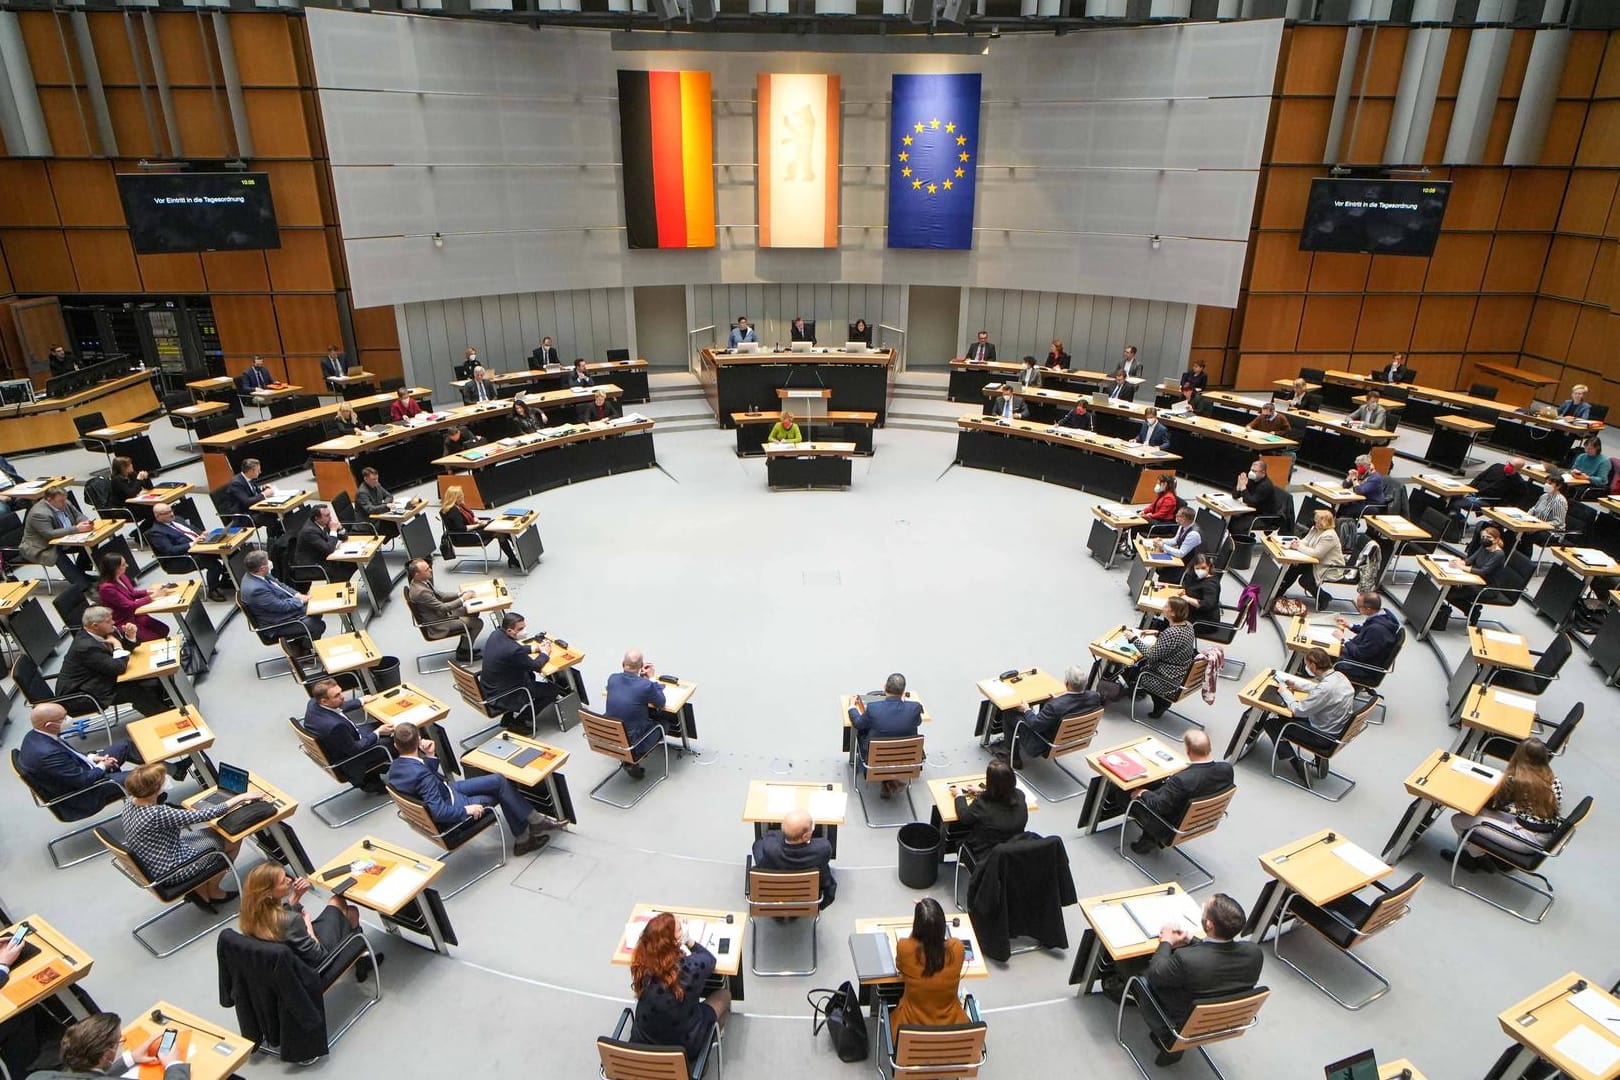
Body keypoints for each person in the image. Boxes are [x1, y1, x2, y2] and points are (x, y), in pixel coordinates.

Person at [386, 721, 549, 855]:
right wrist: (467, 810)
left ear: (395, 745)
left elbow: (421, 781)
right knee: (502, 791)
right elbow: (439, 811)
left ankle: (534, 821)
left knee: (499, 780)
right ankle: (524, 839)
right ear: (419, 740)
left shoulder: (395, 768)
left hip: (448, 791)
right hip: (455, 805)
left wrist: (430, 756)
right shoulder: (423, 776)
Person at [1138, 894, 1263, 1065]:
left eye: (1204, 908)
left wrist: (1166, 940)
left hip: (1182, 1022)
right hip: (1222, 1022)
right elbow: (1215, 956)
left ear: (1209, 925)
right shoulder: (1254, 953)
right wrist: (1191, 939)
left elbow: (1156, 973)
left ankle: (1167, 1038)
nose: (1202, 908)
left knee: (1141, 978)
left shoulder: (1188, 960)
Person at [121, 763, 250, 904]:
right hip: (173, 870)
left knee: (212, 831)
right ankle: (214, 891)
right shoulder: (157, 814)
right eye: (162, 779)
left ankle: (201, 888)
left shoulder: (130, 802)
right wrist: (241, 798)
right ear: (155, 788)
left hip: (153, 863)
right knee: (233, 840)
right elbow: (207, 814)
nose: (166, 780)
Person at [1445, 738, 1563, 871]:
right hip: (1541, 834)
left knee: (1458, 820)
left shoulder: (1520, 781)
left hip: (1525, 839)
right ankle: (1478, 855)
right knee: (1474, 814)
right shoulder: (1554, 779)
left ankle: (1475, 857)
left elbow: (1494, 803)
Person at [630, 912, 730, 1063]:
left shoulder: (641, 966)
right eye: (680, 929)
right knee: (724, 995)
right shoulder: (690, 968)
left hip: (643, 1044)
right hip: (684, 1048)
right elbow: (710, 959)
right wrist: (690, 941)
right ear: (674, 942)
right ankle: (712, 1038)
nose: (682, 928)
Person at [238, 862, 369, 974]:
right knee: (343, 905)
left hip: (292, 960)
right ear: (268, 893)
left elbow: (279, 918)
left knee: (349, 911)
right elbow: (319, 956)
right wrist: (307, 924)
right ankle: (360, 954)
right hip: (316, 966)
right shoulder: (291, 920)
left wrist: (296, 896)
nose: (290, 880)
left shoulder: (252, 916)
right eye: (283, 881)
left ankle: (361, 960)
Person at [1247, 648, 1355, 782]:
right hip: (1335, 732)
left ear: (1314, 666)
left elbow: (1298, 710)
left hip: (1321, 736)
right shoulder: (1339, 677)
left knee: (1271, 724)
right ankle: (1318, 759)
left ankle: (1298, 766)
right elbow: (1319, 689)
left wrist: (1285, 692)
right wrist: (1296, 685)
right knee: (1283, 716)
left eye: (1307, 665)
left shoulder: (1326, 688)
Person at [18, 703, 142, 818]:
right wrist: (103, 766)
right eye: (64, 718)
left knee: (125, 745)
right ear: (49, 725)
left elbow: (69, 754)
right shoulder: (47, 753)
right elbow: (83, 780)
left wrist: (93, 757)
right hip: (86, 793)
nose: (69, 718)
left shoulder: (36, 735)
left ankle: (157, 764)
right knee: (145, 777)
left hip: (82, 770)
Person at [1127, 731, 1233, 854]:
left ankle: (1151, 837)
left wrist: (1143, 792)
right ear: (1209, 748)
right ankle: (1148, 838)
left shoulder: (1182, 780)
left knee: (1123, 792)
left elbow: (1158, 806)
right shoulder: (1226, 769)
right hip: (1197, 821)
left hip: (1171, 826)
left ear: (1188, 751)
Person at [58, 606, 169, 718]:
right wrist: (117, 645)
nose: (113, 622)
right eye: (108, 621)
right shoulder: (86, 647)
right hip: (83, 695)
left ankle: (170, 705)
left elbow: (119, 654)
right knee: (135, 689)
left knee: (153, 675)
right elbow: (118, 667)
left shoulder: (101, 632)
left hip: (99, 679)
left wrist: (130, 637)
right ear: (94, 625)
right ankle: (165, 718)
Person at [29, 1012, 190, 1080]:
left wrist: (130, 1057)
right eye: (119, 1040)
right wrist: (173, 1064)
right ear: (107, 1053)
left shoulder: (38, 1077)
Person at [301, 678, 395, 793]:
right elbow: (355, 749)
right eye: (337, 695)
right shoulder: (334, 726)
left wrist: (361, 700)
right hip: (351, 759)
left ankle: (372, 779)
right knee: (398, 740)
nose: (343, 697)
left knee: (383, 724)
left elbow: (339, 706)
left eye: (341, 692)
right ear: (324, 701)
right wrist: (378, 733)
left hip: (343, 743)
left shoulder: (314, 703)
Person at [891, 898, 969, 1033]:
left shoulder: (905, 948)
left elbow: (900, 965)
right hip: (952, 1030)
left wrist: (917, 929)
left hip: (911, 1029)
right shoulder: (957, 949)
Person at [481, 612, 562, 733]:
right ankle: (519, 722)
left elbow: (515, 649)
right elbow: (536, 666)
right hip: (505, 694)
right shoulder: (513, 651)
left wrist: (534, 648)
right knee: (553, 690)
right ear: (509, 630)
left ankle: (508, 717)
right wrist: (545, 652)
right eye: (520, 629)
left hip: (489, 687)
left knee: (529, 674)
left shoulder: (496, 635)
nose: (524, 631)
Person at [1119, 598, 1198, 718]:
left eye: (1166, 606)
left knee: (1129, 668)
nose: (1163, 607)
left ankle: (1157, 698)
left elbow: (1151, 656)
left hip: (1165, 679)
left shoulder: (1171, 633)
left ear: (1172, 613)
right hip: (1179, 675)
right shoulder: (1188, 625)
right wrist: (1157, 633)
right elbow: (1176, 641)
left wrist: (1133, 638)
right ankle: (1152, 697)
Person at [1010, 665, 1102, 768]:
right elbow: (1077, 706)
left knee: (1011, 713)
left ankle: (1012, 757)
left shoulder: (1055, 706)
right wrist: (1060, 700)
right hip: (1074, 741)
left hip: (1044, 745)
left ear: (1067, 683)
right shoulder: (1094, 697)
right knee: (1046, 706)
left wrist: (1026, 709)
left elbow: (1034, 725)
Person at [847, 673, 924, 796]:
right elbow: (918, 721)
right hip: (907, 760)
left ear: (884, 687)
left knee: (863, 732)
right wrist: (907, 703)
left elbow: (858, 723)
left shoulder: (873, 709)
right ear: (903, 691)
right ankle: (890, 781)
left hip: (875, 762)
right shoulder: (914, 709)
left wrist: (851, 706)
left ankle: (886, 780)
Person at [751, 809, 836, 907]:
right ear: (805, 836)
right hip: (807, 899)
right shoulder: (823, 849)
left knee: (757, 845)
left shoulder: (770, 847)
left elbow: (766, 839)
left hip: (772, 896)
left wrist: (787, 831)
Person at [240, 549, 326, 645]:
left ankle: (300, 641)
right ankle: (304, 649)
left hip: (282, 611)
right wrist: (301, 601)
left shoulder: (256, 574)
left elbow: (280, 585)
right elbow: (280, 606)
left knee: (317, 608)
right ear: (262, 568)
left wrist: (298, 595)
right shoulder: (255, 590)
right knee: (318, 625)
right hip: (277, 623)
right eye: (268, 561)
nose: (270, 563)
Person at [605, 648, 667, 780]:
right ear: (640, 666)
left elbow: (626, 690)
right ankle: (631, 760)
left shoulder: (612, 679)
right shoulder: (645, 686)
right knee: (664, 724)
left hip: (608, 737)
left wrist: (641, 680)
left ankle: (628, 759)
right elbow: (660, 702)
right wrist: (651, 678)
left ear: (623, 664)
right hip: (632, 743)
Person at [951, 757, 1028, 863]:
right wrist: (983, 790)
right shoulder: (1020, 795)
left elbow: (964, 817)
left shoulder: (982, 804)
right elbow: (1003, 794)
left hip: (985, 858)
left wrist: (959, 795)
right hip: (1013, 854)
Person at [148, 502, 230, 601]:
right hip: (181, 559)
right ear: (157, 516)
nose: (171, 514)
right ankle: (213, 590)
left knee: (228, 550)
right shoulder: (156, 532)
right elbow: (170, 550)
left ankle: (226, 580)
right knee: (213, 564)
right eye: (167, 513)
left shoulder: (177, 519)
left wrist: (202, 534)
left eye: (171, 510)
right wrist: (192, 544)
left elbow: (193, 529)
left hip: (199, 548)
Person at [405, 557, 483, 662]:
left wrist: (461, 594)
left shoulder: (421, 582)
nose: (431, 570)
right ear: (417, 574)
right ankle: (464, 653)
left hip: (439, 614)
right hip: (439, 623)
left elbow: (441, 596)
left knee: (472, 610)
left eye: (429, 568)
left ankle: (464, 646)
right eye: (427, 570)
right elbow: (443, 608)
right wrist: (463, 598)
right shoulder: (420, 592)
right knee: (478, 623)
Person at [20, 488, 94, 587]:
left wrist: (84, 522)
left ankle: (81, 573)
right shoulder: (38, 513)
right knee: (57, 555)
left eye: (64, 500)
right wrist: (77, 529)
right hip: (41, 546)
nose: (64, 503)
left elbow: (78, 515)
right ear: (49, 500)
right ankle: (83, 586)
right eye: (61, 501)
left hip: (63, 538)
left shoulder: (65, 501)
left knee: (92, 542)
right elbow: (49, 534)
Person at [96, 552, 172, 642]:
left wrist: (150, 592)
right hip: (124, 621)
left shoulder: (122, 576)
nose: (127, 566)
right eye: (123, 564)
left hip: (135, 614)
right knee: (154, 638)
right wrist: (152, 597)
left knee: (163, 629)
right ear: (115, 568)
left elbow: (132, 593)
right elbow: (129, 605)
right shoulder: (106, 588)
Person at [1276, 509, 1344, 608]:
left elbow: (1316, 554)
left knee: (1304, 580)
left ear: (1323, 523)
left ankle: (1324, 597)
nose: (1314, 522)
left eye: (1317, 521)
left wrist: (1298, 547)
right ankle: (1278, 593)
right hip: (1315, 562)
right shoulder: (1315, 528)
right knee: (1294, 567)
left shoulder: (1329, 536)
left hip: (1328, 566)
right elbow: (1306, 541)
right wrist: (1296, 543)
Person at [441, 485, 519, 569]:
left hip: (473, 531)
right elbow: (462, 528)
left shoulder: (460, 506)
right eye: (461, 495)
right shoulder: (452, 511)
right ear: (455, 497)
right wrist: (479, 525)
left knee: (501, 529)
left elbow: (471, 516)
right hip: (466, 536)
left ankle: (514, 557)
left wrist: (477, 520)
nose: (463, 496)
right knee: (499, 531)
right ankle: (515, 557)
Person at [1446, 525, 1506, 615]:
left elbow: (1483, 572)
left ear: (1496, 540)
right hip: (1475, 580)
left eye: (1489, 537)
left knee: (1452, 594)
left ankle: (1473, 612)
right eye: (1483, 537)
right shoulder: (1483, 547)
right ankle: (1472, 610)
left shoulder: (1498, 555)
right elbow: (1470, 560)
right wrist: (1459, 562)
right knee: (1449, 589)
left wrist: (1461, 567)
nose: (1485, 539)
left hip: (1488, 587)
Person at [1334, 592, 1400, 670]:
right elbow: (1366, 630)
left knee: (1325, 655)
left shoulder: (1377, 630)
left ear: (1368, 609)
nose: (1357, 608)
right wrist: (1349, 625)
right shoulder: (1383, 615)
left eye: (1359, 606)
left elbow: (1360, 655)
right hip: (1360, 651)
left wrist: (1343, 640)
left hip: (1360, 666)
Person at [292, 503, 352, 585]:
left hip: (324, 558)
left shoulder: (323, 522)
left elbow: (344, 537)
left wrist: (340, 527)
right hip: (313, 566)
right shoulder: (309, 531)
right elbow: (329, 549)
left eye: (329, 514)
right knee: (342, 569)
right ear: (317, 518)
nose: (330, 517)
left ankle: (341, 585)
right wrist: (333, 530)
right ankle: (336, 590)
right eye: (327, 515)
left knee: (351, 562)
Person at [1233, 459, 1285, 536]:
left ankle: (1239, 543)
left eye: (1254, 471)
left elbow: (1250, 501)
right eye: (1251, 470)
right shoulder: (1252, 479)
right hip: (1252, 511)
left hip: (1263, 517)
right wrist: (1238, 486)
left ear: (1263, 472)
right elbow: (1235, 496)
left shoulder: (1265, 486)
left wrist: (1243, 487)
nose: (1251, 473)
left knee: (1239, 524)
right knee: (1231, 517)